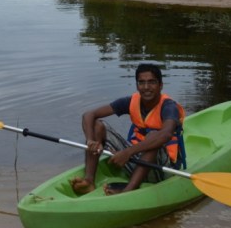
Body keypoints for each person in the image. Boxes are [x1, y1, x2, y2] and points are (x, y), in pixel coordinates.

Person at [69, 63, 186, 195]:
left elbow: (166, 134)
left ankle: (129, 189)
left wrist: (127, 152)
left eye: (151, 82)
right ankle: (89, 181)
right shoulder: (131, 101)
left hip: (162, 169)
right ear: (137, 86)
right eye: (141, 83)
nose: (146, 87)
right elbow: (89, 115)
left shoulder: (169, 106)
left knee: (154, 136)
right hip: (136, 162)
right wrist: (91, 140)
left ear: (161, 85)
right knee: (97, 126)